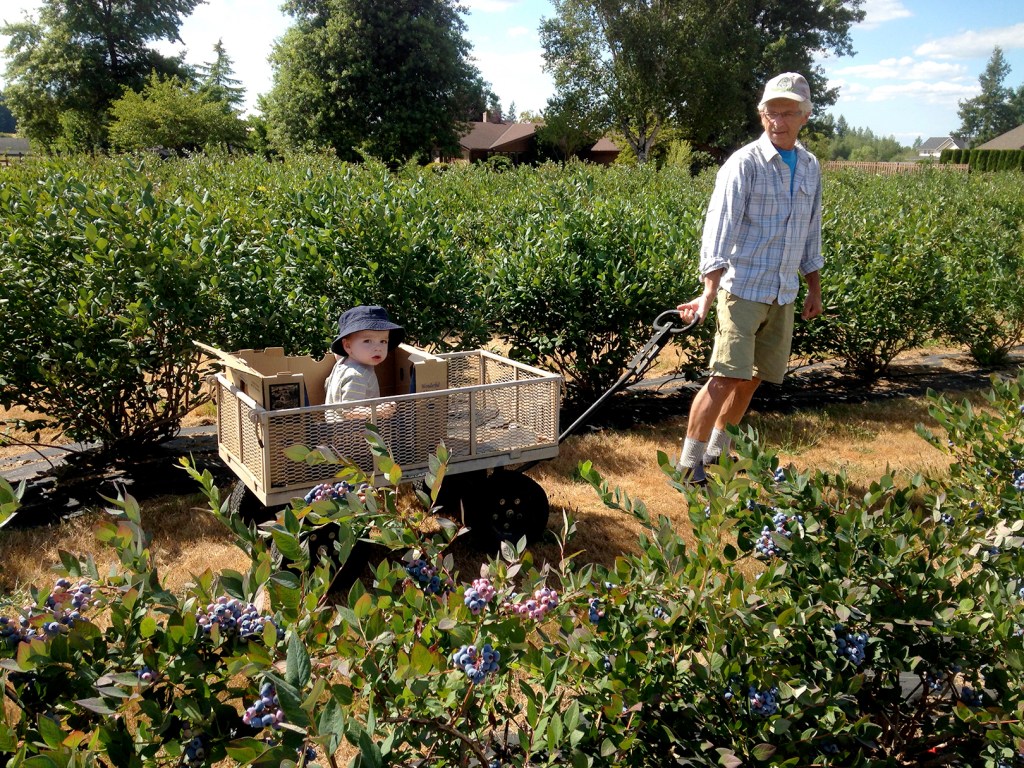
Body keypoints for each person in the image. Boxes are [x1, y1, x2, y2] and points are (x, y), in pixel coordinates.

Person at [675, 72, 823, 484]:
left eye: (789, 112)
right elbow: (719, 230)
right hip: (742, 290)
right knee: (725, 378)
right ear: (761, 115)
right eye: (772, 111)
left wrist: (813, 287)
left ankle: (718, 454)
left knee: (753, 379)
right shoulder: (744, 164)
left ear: (805, 116)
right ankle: (688, 466)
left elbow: (812, 231)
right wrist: (708, 293)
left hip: (783, 292)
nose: (779, 120)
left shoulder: (810, 167)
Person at [324, 305, 404, 421]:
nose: (378, 348)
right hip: (354, 434)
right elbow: (349, 411)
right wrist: (378, 411)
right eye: (367, 341)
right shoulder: (357, 377)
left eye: (383, 341)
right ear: (347, 346)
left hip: (340, 432)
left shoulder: (343, 362)